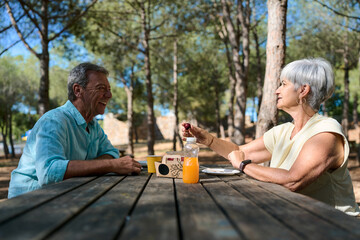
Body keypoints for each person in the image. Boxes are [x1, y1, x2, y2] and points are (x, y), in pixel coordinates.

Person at [183, 58, 360, 216]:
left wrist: (244, 166)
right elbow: (238, 152)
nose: (276, 90)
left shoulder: (326, 132)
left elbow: (293, 180)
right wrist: (208, 140)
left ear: (303, 90)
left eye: (283, 84)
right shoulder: (282, 131)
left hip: (336, 226)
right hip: (297, 217)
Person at [8, 63, 141, 198]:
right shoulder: (54, 121)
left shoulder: (93, 125)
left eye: (109, 89)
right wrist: (111, 165)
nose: (109, 95)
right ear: (78, 90)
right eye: (101, 88)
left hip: (63, 196)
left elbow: (111, 153)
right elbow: (49, 172)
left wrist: (96, 165)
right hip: (28, 202)